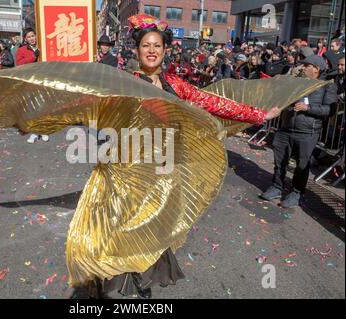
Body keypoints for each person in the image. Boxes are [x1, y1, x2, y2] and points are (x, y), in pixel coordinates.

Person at [82, 13, 281, 299]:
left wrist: (260, 114)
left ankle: (144, 283)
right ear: (137, 50)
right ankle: (122, 279)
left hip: (164, 170)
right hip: (129, 170)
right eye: (146, 45)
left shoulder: (177, 85)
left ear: (164, 50)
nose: (152, 50)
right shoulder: (121, 83)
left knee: (156, 230)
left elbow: (215, 103)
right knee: (127, 227)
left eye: (157, 46)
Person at [260, 55, 337, 208]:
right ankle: (276, 186)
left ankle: (296, 192)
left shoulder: (327, 85)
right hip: (286, 127)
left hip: (307, 132)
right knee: (279, 160)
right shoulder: (295, 81)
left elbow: (330, 109)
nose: (302, 68)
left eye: (306, 65)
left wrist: (308, 108)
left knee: (302, 165)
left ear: (316, 69)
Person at [16, 28, 49, 144]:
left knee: (42, 106)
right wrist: (33, 56)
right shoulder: (21, 50)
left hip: (42, 81)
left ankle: (43, 130)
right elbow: (19, 64)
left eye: (33, 36)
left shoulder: (43, 47)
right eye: (29, 37)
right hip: (29, 82)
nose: (32, 38)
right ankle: (34, 132)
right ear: (25, 39)